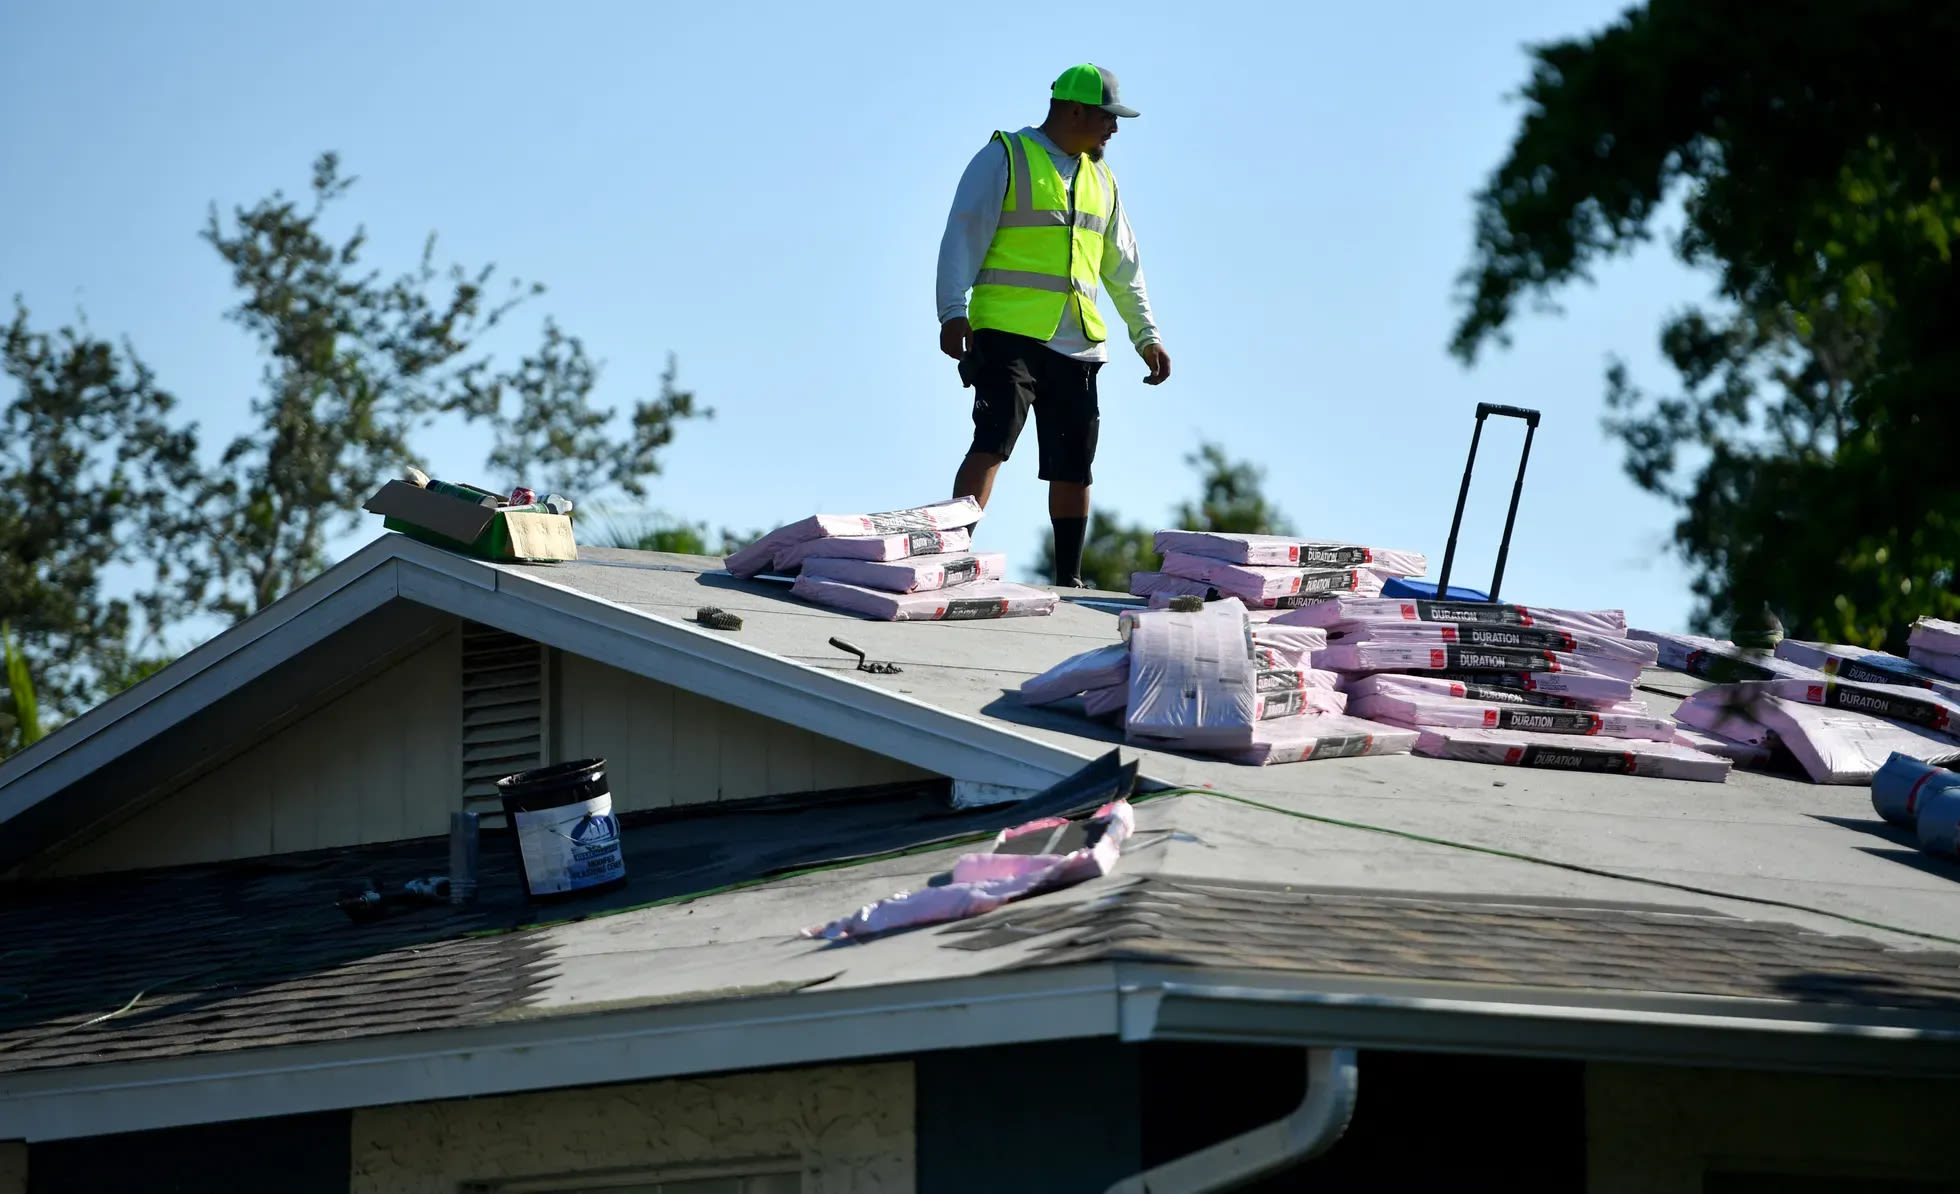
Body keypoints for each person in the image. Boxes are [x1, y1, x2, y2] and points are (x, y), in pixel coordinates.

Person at [936, 62, 1171, 588]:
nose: (1113, 129)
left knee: (1074, 463)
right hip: (1008, 333)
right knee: (992, 440)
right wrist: (952, 311)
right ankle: (950, 556)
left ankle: (1070, 578)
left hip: (1077, 342)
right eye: (1106, 118)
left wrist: (1145, 333)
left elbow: (1123, 264)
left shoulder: (1101, 178)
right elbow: (963, 232)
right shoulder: (1006, 156)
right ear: (1073, 110)